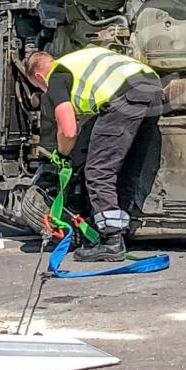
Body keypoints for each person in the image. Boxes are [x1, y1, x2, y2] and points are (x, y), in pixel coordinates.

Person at [24, 46, 163, 262]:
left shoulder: (57, 76)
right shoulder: (81, 58)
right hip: (151, 89)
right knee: (125, 170)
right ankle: (118, 233)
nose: (44, 91)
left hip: (122, 98)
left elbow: (69, 129)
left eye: (39, 87)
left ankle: (111, 242)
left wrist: (62, 154)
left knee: (98, 172)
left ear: (39, 76)